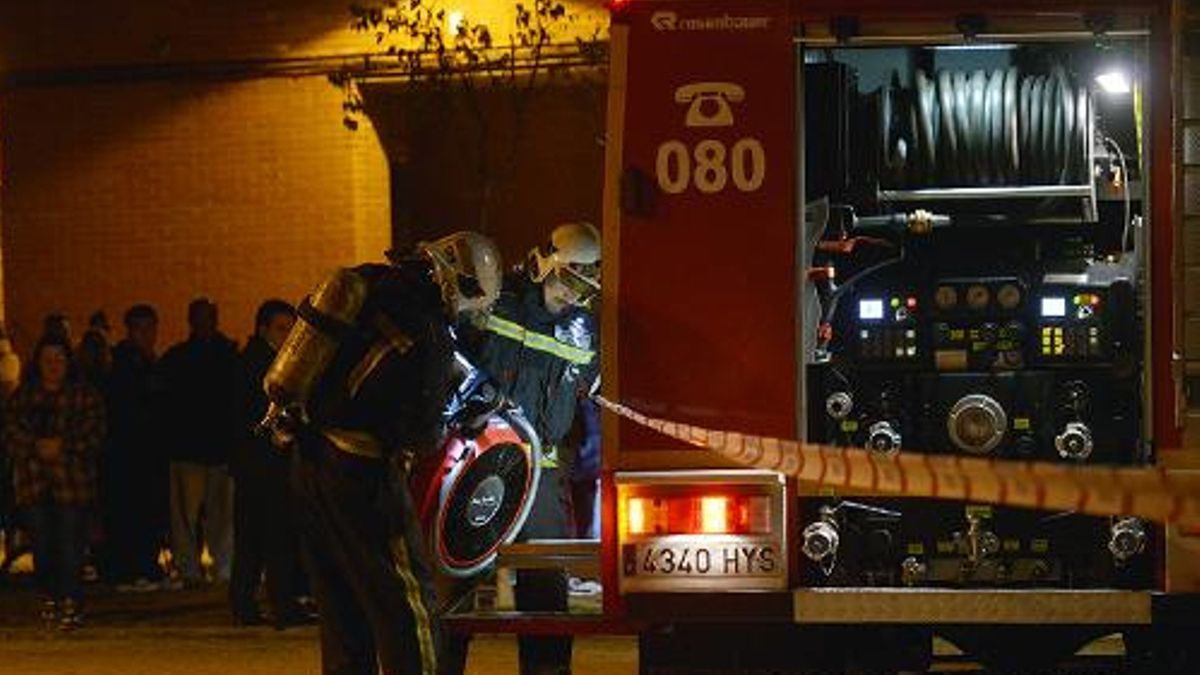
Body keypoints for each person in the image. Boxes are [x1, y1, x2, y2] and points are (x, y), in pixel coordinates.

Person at [260, 231, 501, 675]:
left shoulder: (370, 284)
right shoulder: (429, 330)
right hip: (362, 472)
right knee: (407, 601)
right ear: (456, 283)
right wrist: (458, 417)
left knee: (340, 604)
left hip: (309, 457)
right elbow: (423, 435)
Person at [457, 221, 601, 675]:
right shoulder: (495, 301)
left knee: (545, 584)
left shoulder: (585, 330)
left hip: (541, 472)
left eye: (586, 286)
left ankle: (548, 670)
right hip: (477, 463)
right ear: (544, 262)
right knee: (457, 576)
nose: (573, 293)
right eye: (568, 278)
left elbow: (593, 385)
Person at [5, 336, 106, 629]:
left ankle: (71, 599)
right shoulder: (23, 397)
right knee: (43, 544)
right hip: (34, 484)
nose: (53, 365)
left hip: (72, 484)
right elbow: (10, 432)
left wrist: (64, 445)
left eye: (59, 358)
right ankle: (49, 596)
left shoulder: (84, 396)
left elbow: (95, 432)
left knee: (71, 544)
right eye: (47, 359)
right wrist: (35, 446)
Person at [229, 299, 311, 627]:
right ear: (263, 329)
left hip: (253, 463)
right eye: (281, 328)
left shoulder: (251, 360)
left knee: (252, 537)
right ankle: (282, 604)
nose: (287, 335)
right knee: (275, 535)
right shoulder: (265, 365)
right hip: (265, 463)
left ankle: (245, 603)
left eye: (291, 329)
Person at [160, 298, 239, 585]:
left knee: (189, 516)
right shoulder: (229, 357)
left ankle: (193, 569)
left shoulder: (177, 358)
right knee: (216, 516)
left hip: (193, 448)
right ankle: (219, 568)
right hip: (211, 448)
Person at [101, 304, 169, 589]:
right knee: (130, 513)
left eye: (151, 328)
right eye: (140, 329)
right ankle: (130, 569)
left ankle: (141, 567)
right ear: (129, 331)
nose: (147, 335)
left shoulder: (149, 362)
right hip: (128, 455)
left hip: (147, 454)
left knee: (145, 512)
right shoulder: (123, 365)